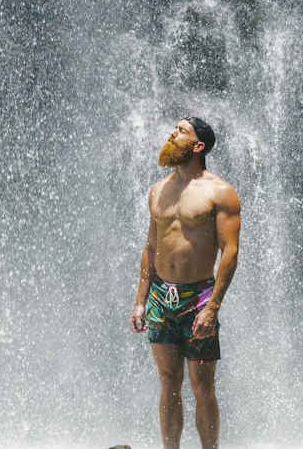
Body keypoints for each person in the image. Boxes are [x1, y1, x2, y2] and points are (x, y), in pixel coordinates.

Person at [129, 116, 242, 449]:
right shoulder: (157, 191)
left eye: (181, 131)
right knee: (168, 382)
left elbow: (230, 252)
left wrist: (213, 306)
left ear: (198, 146)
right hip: (162, 297)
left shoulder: (220, 192)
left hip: (198, 299)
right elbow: (151, 247)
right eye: (174, 128)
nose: (172, 133)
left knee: (202, 386)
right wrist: (140, 300)